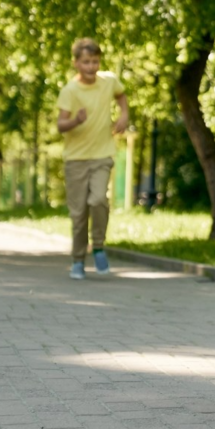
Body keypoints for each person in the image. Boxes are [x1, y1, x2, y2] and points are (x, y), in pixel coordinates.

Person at [56, 38, 128, 280]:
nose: (91, 66)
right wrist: (76, 120)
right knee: (78, 213)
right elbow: (60, 124)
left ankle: (98, 246)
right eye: (86, 62)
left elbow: (121, 95)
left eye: (95, 61)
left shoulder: (108, 81)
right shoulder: (70, 90)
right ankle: (77, 260)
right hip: (75, 159)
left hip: (101, 154)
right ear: (76, 63)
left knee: (98, 200)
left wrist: (124, 114)